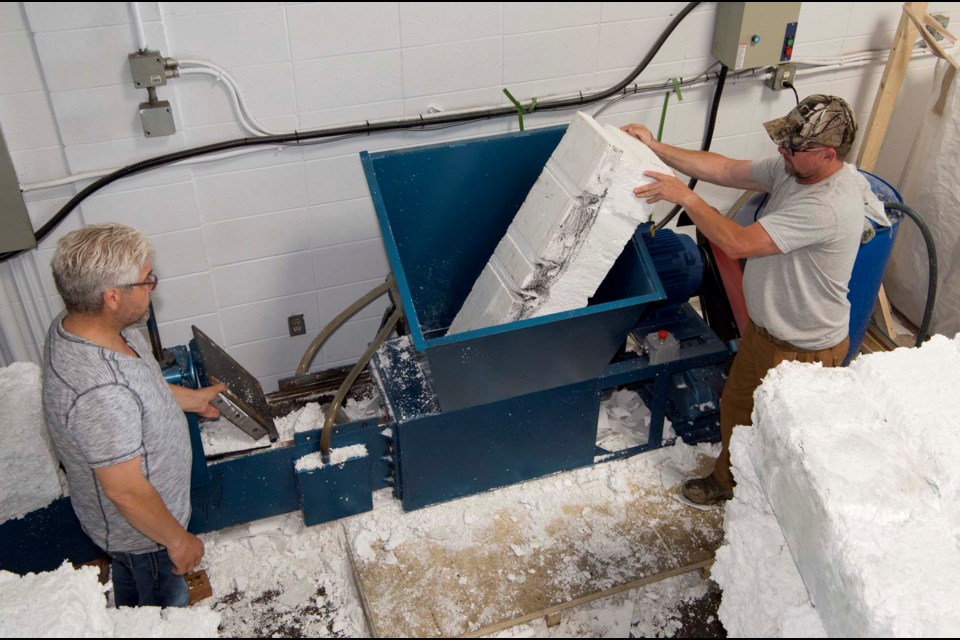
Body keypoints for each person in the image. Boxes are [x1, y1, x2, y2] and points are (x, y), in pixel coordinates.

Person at [621, 95, 862, 505]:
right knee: (737, 407)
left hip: (804, 347)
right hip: (767, 333)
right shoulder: (795, 171)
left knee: (785, 435)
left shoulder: (826, 206)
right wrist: (655, 146)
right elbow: (726, 169)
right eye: (782, 143)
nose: (780, 151)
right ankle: (729, 480)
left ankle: (777, 510)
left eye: (791, 147)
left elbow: (737, 243)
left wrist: (686, 198)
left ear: (827, 154)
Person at [42, 223, 226, 607]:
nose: (152, 287)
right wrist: (177, 541)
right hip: (146, 537)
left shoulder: (88, 326)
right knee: (159, 613)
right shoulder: (99, 390)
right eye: (146, 280)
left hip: (143, 531)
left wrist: (191, 399)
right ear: (111, 296)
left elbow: (140, 389)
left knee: (133, 590)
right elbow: (124, 489)